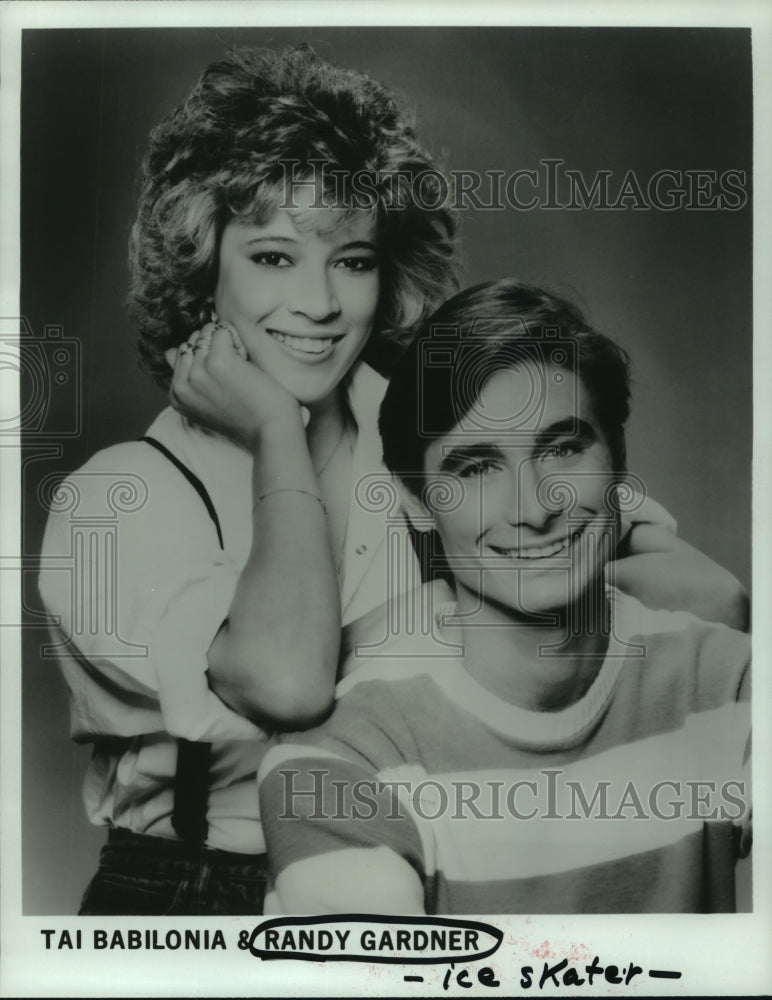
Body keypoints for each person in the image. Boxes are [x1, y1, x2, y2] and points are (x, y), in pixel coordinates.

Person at [39, 46, 743, 916]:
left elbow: (708, 601)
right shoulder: (118, 501)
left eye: (353, 260)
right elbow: (290, 684)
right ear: (201, 268)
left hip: (438, 863)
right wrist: (274, 435)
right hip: (199, 897)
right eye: (272, 257)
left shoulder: (434, 429)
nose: (321, 303)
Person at [257, 280, 751, 914]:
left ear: (619, 466)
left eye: (563, 449)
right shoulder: (343, 756)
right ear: (415, 501)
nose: (532, 508)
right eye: (476, 468)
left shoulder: (731, 685)